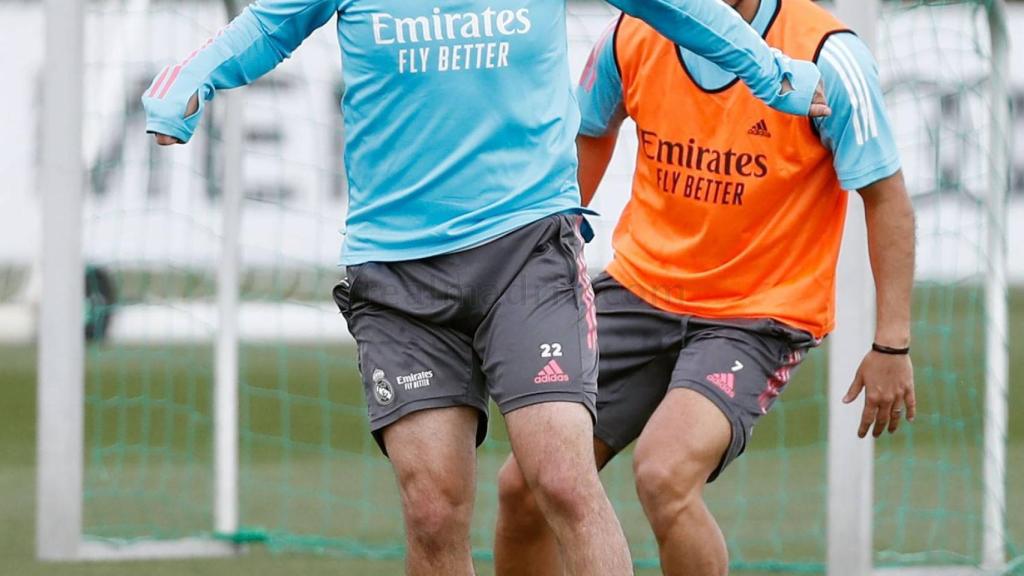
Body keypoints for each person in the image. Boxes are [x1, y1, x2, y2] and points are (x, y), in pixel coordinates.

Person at [142, 0, 829, 574]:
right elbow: (267, 26)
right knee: (434, 512)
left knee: (561, 479)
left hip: (526, 251)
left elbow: (675, 7)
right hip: (397, 273)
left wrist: (770, 71)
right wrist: (190, 80)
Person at [494, 0, 916, 574]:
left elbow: (886, 197)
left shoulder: (827, 53)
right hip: (638, 289)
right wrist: (540, 257)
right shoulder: (633, 28)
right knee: (524, 485)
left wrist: (892, 342)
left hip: (759, 314)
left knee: (663, 475)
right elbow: (589, 132)